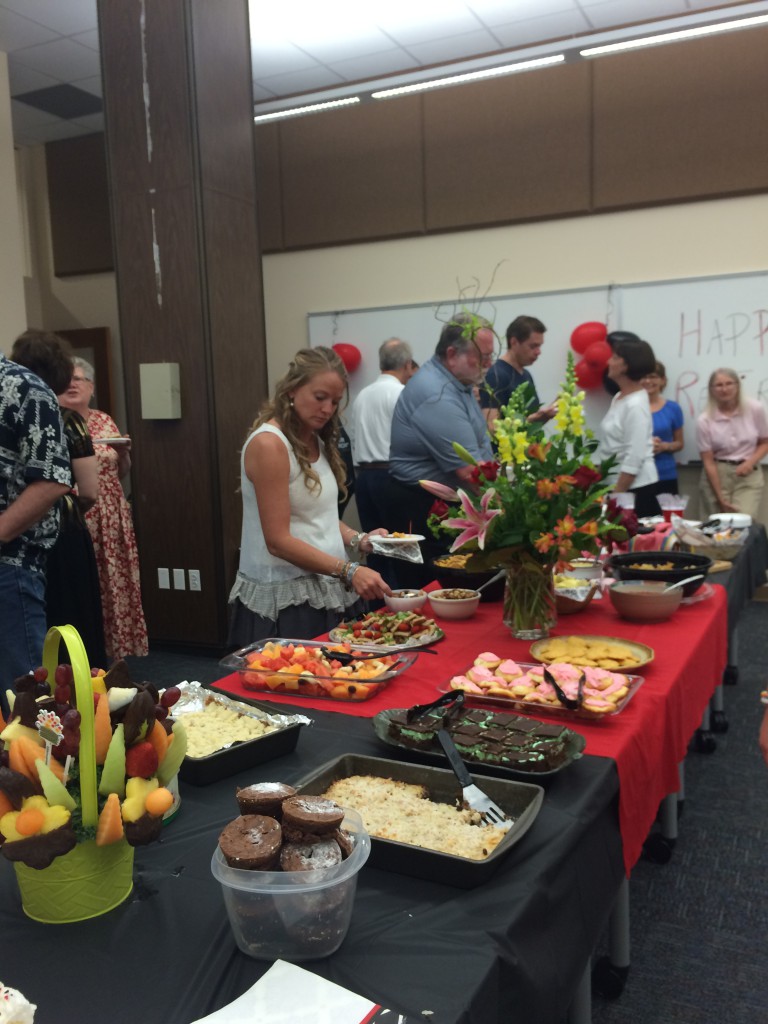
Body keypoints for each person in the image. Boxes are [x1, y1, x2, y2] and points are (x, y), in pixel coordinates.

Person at [228, 346, 391, 646]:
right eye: (320, 398)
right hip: (289, 601)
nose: (328, 409)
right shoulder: (269, 444)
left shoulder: (314, 438)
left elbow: (319, 516)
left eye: (335, 401)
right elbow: (277, 541)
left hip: (327, 586)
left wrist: (359, 540)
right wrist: (349, 569)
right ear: (292, 389)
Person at [10, 332, 108, 669]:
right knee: (71, 619)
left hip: (19, 538)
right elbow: (89, 490)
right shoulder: (70, 421)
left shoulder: (14, 407)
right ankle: (80, 687)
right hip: (61, 531)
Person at [387, 314, 495, 586]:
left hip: (446, 499)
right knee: (435, 588)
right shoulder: (436, 392)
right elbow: (471, 472)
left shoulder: (457, 381)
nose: (488, 364)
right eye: (481, 357)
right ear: (451, 354)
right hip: (423, 505)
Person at [59, 357, 148, 659]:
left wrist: (124, 455)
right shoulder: (55, 422)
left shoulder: (103, 419)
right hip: (78, 514)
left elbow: (118, 470)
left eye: (80, 379)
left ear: (91, 387)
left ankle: (116, 652)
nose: (73, 383)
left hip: (112, 514)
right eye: (67, 378)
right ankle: (84, 653)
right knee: (85, 585)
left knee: (114, 583)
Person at [0, 351, 71, 715]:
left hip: (10, 569)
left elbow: (52, 481)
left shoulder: (25, 388)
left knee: (26, 701)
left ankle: (38, 772)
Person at [349, 338, 416, 584]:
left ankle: (377, 604)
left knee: (374, 546)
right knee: (400, 546)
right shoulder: (403, 394)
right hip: (393, 477)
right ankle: (403, 599)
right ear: (408, 365)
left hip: (364, 478)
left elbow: (354, 440)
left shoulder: (362, 395)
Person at [696, 368, 768, 521]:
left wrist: (750, 462)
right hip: (717, 473)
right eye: (719, 385)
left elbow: (765, 442)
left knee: (742, 522)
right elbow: (708, 460)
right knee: (714, 527)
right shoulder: (705, 419)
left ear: (737, 385)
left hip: (747, 472)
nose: (724, 389)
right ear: (712, 390)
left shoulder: (755, 409)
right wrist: (720, 498)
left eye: (729, 384)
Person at [599, 337, 659, 517]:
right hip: (617, 486)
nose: (609, 361)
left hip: (635, 490)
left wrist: (616, 496)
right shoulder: (619, 396)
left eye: (615, 358)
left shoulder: (636, 405)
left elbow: (634, 457)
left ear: (626, 366)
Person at [479, 315, 556, 425]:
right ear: (514, 342)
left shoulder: (526, 374)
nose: (538, 352)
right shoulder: (495, 375)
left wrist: (548, 412)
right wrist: (530, 420)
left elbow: (531, 423)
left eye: (540, 346)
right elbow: (491, 427)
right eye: (533, 346)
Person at [641, 359, 685, 497]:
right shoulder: (631, 408)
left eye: (653, 376)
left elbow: (680, 443)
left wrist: (664, 447)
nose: (648, 381)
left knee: (667, 517)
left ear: (663, 380)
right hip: (638, 475)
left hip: (665, 474)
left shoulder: (673, 408)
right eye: (644, 377)